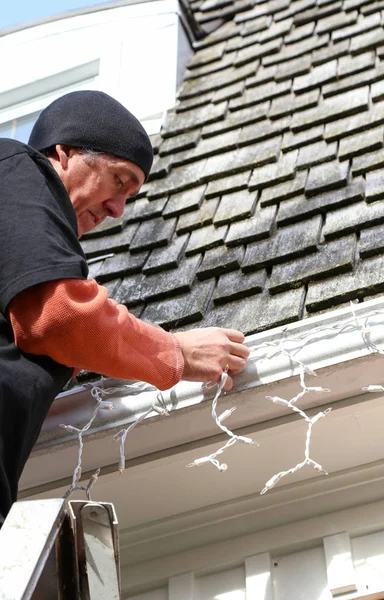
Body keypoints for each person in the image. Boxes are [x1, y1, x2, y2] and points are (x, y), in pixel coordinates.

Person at [0, 90, 249, 525]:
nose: (118, 210)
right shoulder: (17, 167)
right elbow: (59, 316)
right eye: (119, 180)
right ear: (65, 153)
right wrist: (177, 353)